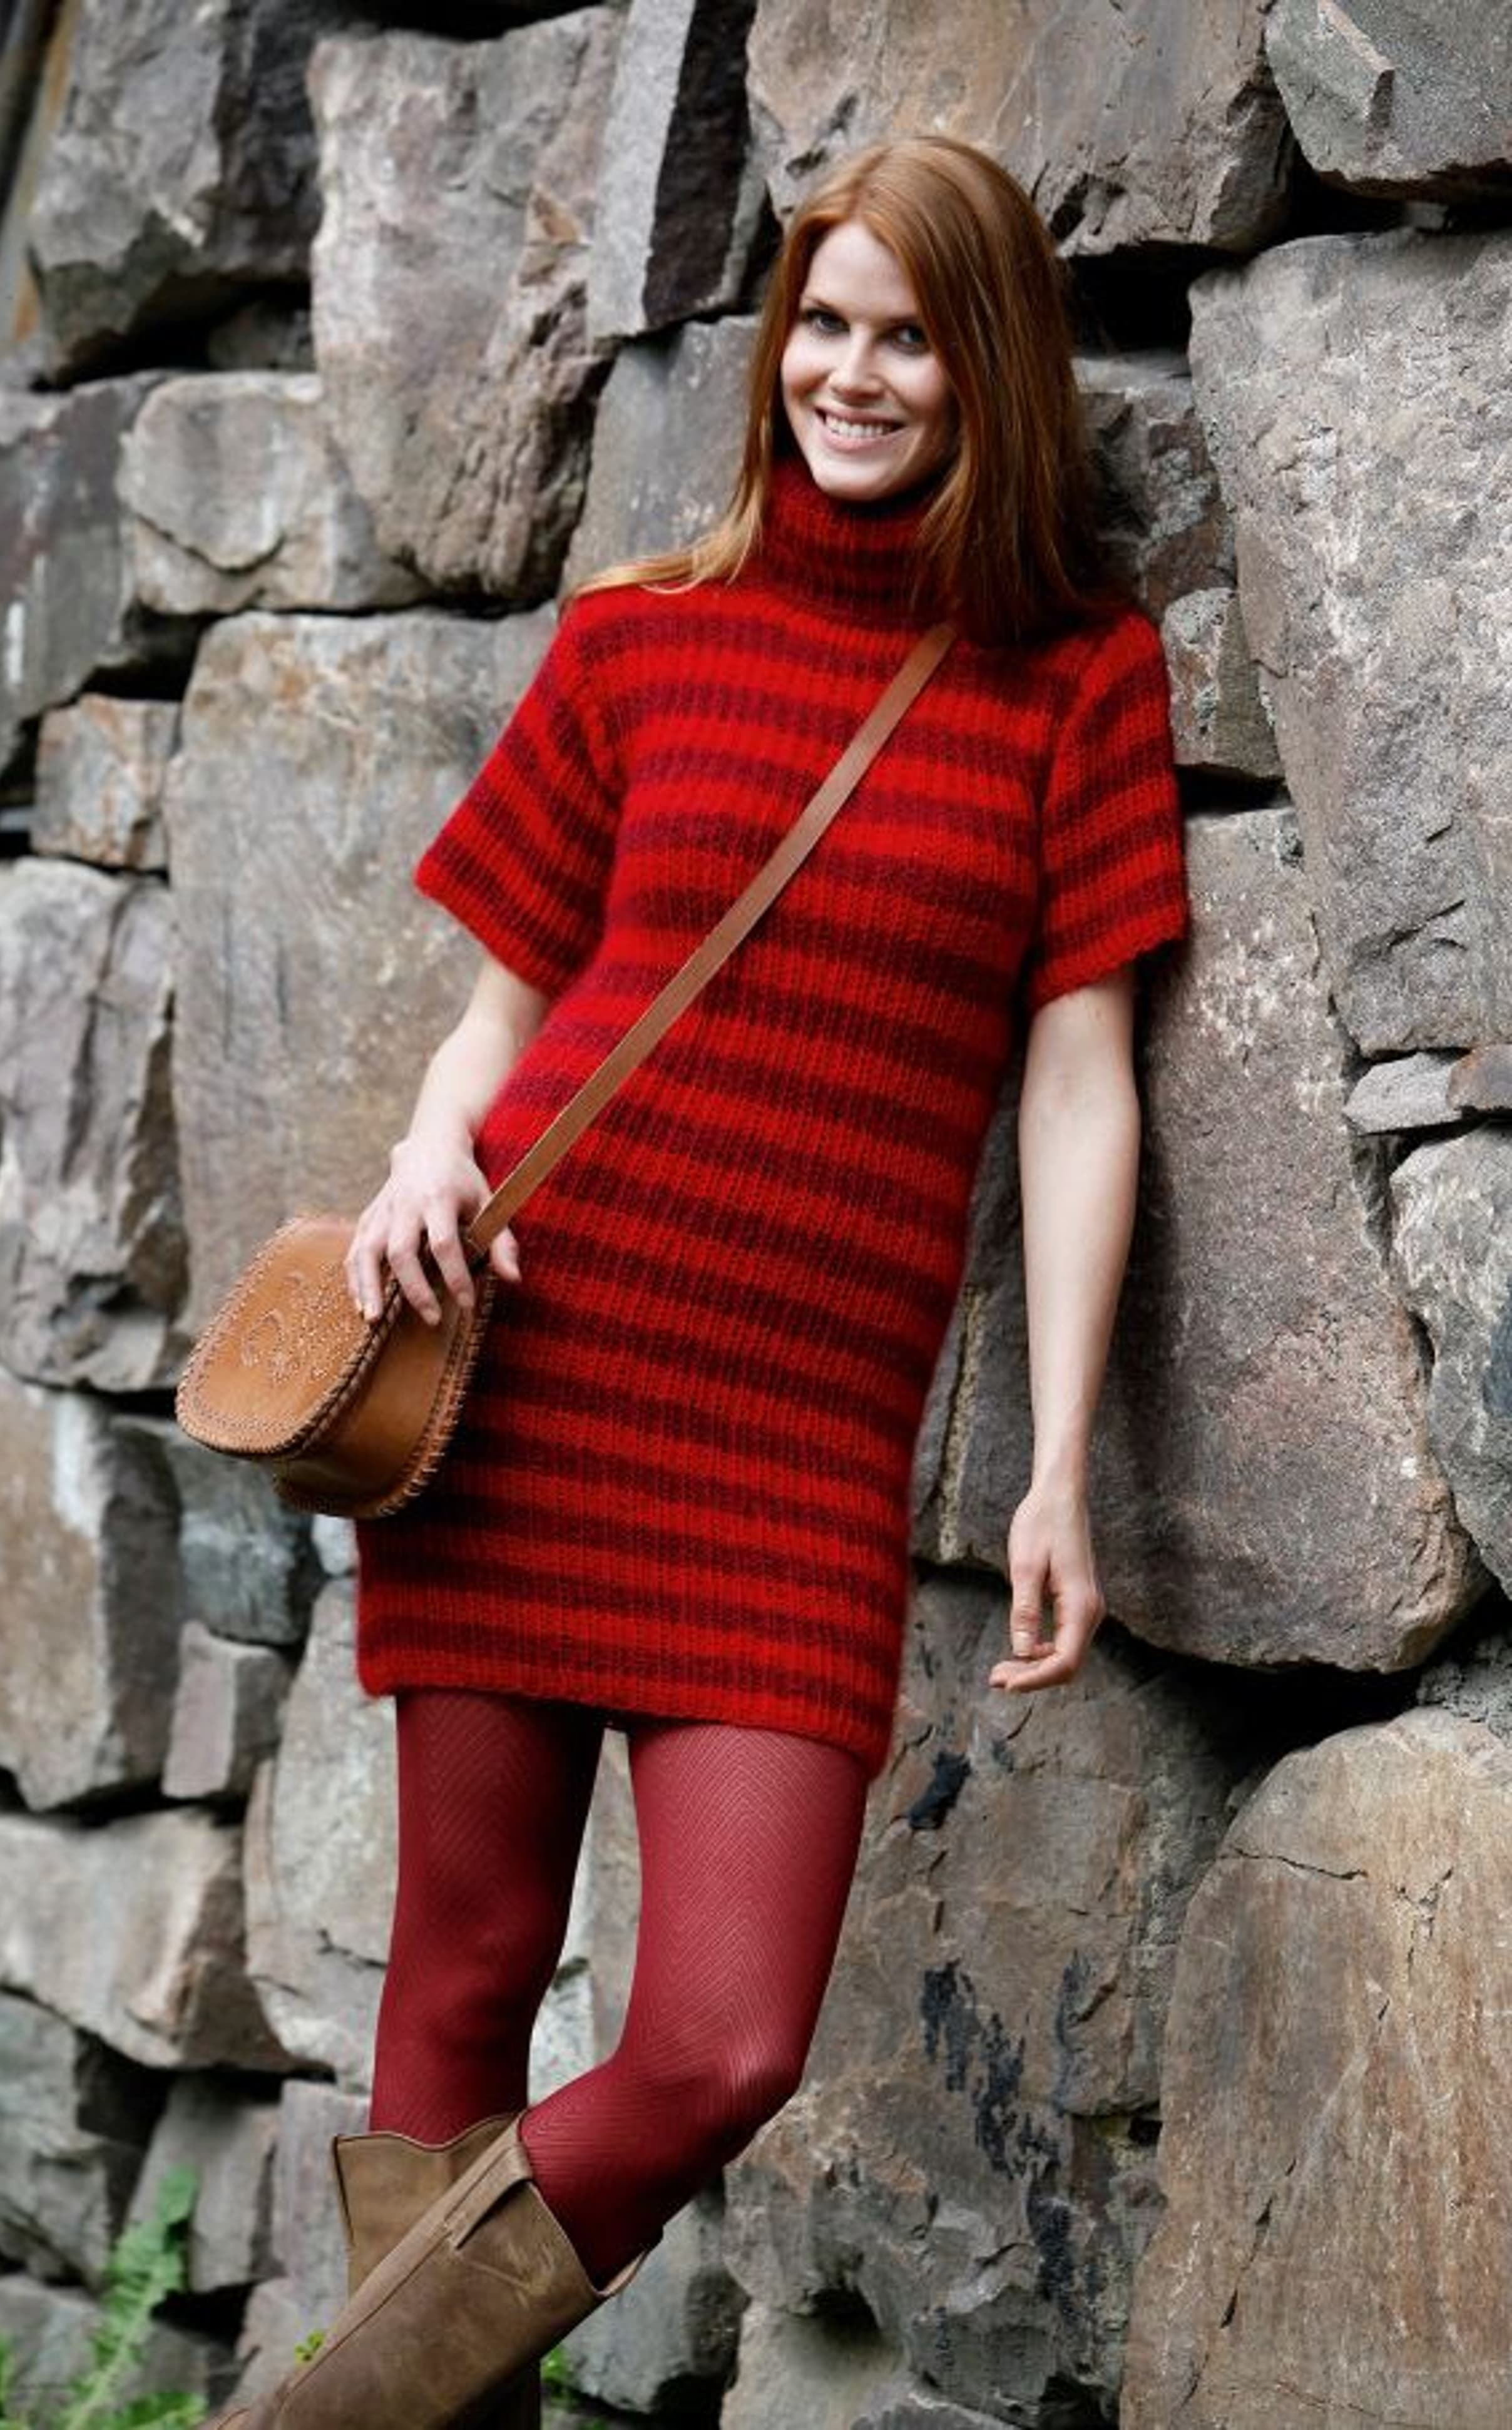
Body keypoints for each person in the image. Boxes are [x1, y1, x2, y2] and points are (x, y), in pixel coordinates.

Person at [207, 132, 1187, 2430]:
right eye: (821, 323)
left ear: (991, 367)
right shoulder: (638, 638)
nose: (852, 373)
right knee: (461, 1976)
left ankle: (312, 2417)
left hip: (798, 1451)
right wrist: (429, 1154)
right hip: (533, 1371)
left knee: (726, 2039)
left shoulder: (1077, 683)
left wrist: (1058, 1463)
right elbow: (502, 1015)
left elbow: (1078, 1089)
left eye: (909, 335)